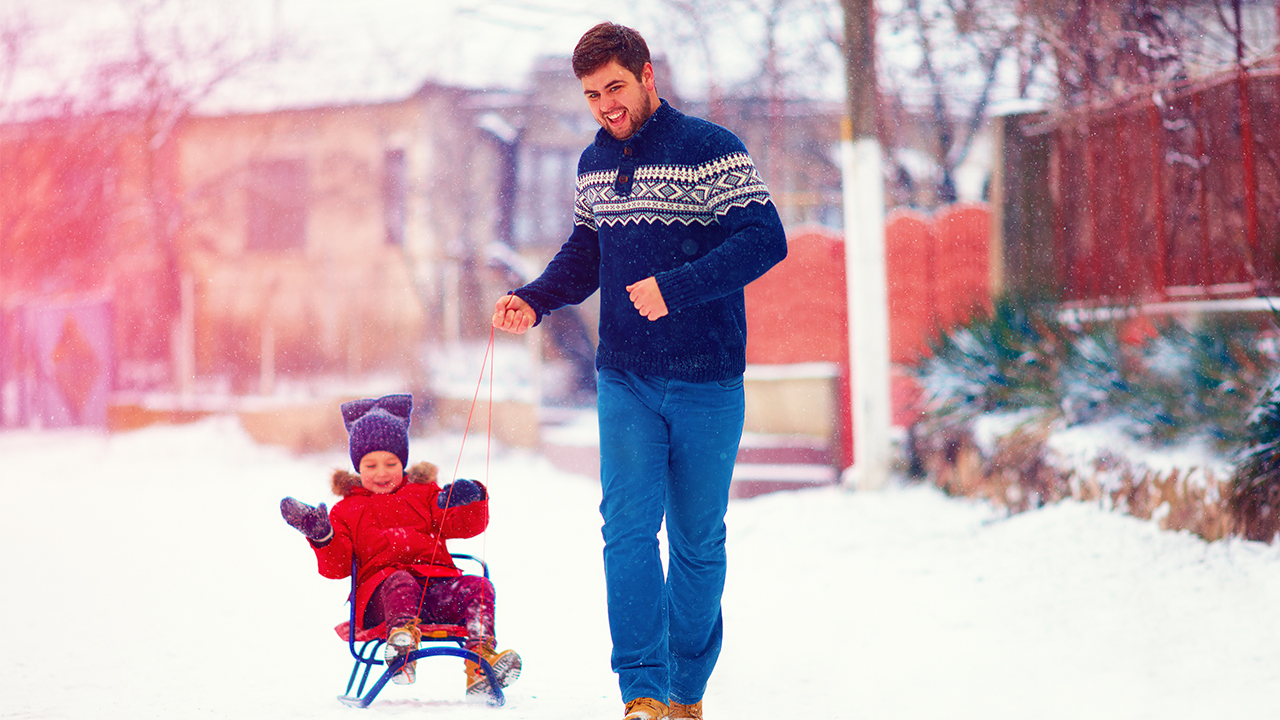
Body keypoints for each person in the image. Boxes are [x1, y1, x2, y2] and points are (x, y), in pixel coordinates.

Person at [491, 22, 786, 720]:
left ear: (647, 76)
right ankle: (643, 691)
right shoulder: (593, 163)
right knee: (625, 532)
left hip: (708, 379)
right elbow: (585, 254)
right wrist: (533, 300)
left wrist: (676, 285)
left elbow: (764, 238)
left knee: (696, 541)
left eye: (615, 87)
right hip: (624, 376)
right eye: (592, 94)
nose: (605, 105)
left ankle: (688, 690)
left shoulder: (710, 150)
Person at [279, 393, 520, 703]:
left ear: (403, 462)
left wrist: (468, 499)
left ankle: (480, 663)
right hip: (382, 600)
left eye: (391, 463)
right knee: (399, 581)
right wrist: (323, 535)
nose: (382, 472)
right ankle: (400, 648)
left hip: (434, 589)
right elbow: (338, 567)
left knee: (478, 585)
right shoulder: (347, 510)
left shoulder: (424, 494)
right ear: (357, 467)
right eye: (371, 464)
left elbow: (465, 525)